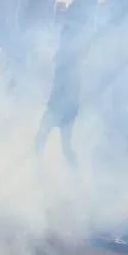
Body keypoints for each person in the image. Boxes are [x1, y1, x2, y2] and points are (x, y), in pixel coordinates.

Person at [35, 24, 84, 169]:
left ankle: (76, 175)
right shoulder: (61, 54)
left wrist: (71, 106)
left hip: (64, 109)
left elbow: (74, 84)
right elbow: (55, 81)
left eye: (67, 37)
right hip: (56, 105)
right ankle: (38, 170)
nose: (64, 40)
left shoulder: (72, 58)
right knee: (40, 140)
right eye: (63, 36)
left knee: (64, 147)